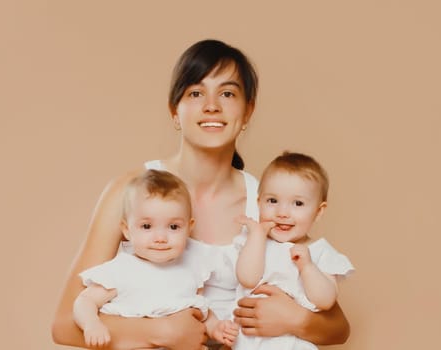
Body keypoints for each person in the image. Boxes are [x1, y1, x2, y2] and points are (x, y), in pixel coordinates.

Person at [51, 39, 350, 349]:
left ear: (248, 112)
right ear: (174, 110)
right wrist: (161, 333)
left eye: (228, 93)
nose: (211, 105)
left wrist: (296, 320)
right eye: (195, 92)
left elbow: (338, 326)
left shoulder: (267, 202)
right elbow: (63, 326)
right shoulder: (129, 192)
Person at [72, 169, 238, 348]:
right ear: (127, 230)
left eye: (173, 227)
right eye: (147, 226)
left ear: (189, 228)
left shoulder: (191, 269)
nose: (160, 238)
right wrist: (92, 325)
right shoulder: (122, 270)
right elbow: (85, 301)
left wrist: (216, 328)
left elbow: (201, 312)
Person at [234, 151, 354, 349]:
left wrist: (307, 267)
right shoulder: (255, 242)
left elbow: (325, 301)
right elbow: (247, 278)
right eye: (272, 201)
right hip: (250, 342)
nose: (282, 213)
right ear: (258, 203)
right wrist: (257, 236)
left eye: (297, 203)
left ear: (319, 210)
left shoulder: (320, 252)